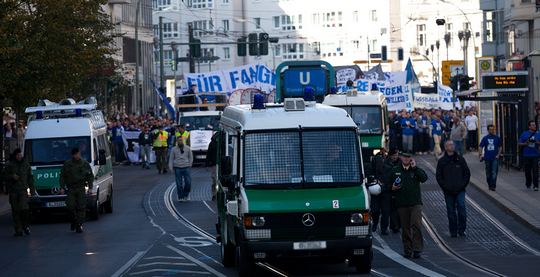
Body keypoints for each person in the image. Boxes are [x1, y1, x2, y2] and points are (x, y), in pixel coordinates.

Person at [386, 151, 428, 259]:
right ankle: (408, 250)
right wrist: (392, 188)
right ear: (400, 157)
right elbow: (387, 184)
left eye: (408, 157)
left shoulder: (415, 170)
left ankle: (417, 249)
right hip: (402, 204)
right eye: (404, 157)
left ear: (411, 159)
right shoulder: (395, 170)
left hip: (415, 203)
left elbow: (424, 178)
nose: (406, 159)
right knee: (405, 228)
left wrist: (415, 168)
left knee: (416, 225)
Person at [436, 141, 471, 238]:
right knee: (450, 211)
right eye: (450, 145)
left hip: (460, 190)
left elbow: (467, 173)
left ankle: (462, 229)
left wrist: (462, 185)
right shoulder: (442, 161)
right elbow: (439, 176)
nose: (452, 146)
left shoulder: (460, 159)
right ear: (445, 147)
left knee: (462, 208)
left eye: (453, 145)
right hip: (448, 191)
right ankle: (453, 230)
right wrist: (445, 187)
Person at [60, 148, 94, 233]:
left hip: (81, 188)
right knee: (70, 206)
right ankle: (73, 221)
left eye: (79, 154)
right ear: (73, 155)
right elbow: (62, 176)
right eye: (76, 154)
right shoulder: (67, 164)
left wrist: (90, 187)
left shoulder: (84, 164)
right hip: (71, 188)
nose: (78, 156)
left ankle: (79, 224)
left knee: (81, 207)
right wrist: (62, 187)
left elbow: (90, 176)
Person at [2, 149, 35, 236]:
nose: (19, 157)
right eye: (17, 155)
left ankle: (25, 226)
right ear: (15, 156)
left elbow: (30, 178)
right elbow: (3, 176)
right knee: (16, 211)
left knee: (24, 209)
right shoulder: (9, 165)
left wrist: (32, 190)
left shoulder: (26, 164)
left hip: (23, 190)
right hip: (13, 191)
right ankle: (18, 230)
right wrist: (12, 176)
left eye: (20, 155)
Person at [370, 149, 391, 235]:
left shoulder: (389, 168)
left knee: (385, 212)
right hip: (375, 192)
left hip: (385, 192)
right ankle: (375, 222)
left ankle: (383, 229)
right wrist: (373, 181)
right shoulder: (371, 169)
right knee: (375, 210)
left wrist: (383, 185)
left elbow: (391, 181)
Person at [479, 125, 502, 191]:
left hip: (495, 158)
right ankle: (489, 183)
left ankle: (493, 186)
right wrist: (480, 155)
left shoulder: (497, 138)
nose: (492, 131)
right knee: (488, 173)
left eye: (493, 129)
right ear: (488, 130)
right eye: (490, 129)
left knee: (494, 172)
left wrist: (498, 155)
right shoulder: (485, 138)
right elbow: (481, 146)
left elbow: (500, 147)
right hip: (487, 158)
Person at [383, 148, 402, 233]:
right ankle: (384, 228)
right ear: (390, 156)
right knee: (386, 210)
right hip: (388, 189)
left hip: (398, 189)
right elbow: (384, 178)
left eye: (396, 155)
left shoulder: (400, 163)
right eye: (393, 155)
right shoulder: (385, 164)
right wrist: (390, 187)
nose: (395, 157)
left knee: (396, 210)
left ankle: (395, 226)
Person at [518, 120, 540, 191]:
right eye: (533, 125)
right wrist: (526, 144)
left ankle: (535, 186)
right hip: (527, 155)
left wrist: (536, 142)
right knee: (527, 171)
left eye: (535, 125)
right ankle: (528, 183)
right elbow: (519, 143)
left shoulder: (538, 134)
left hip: (535, 155)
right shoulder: (525, 134)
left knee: (535, 171)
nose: (534, 126)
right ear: (529, 126)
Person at [206, 131, 221, 201]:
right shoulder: (213, 143)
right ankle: (215, 194)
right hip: (215, 164)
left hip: (218, 164)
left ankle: (216, 194)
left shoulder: (212, 143)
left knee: (215, 180)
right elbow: (209, 153)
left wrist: (208, 163)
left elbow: (208, 154)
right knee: (215, 180)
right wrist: (207, 163)